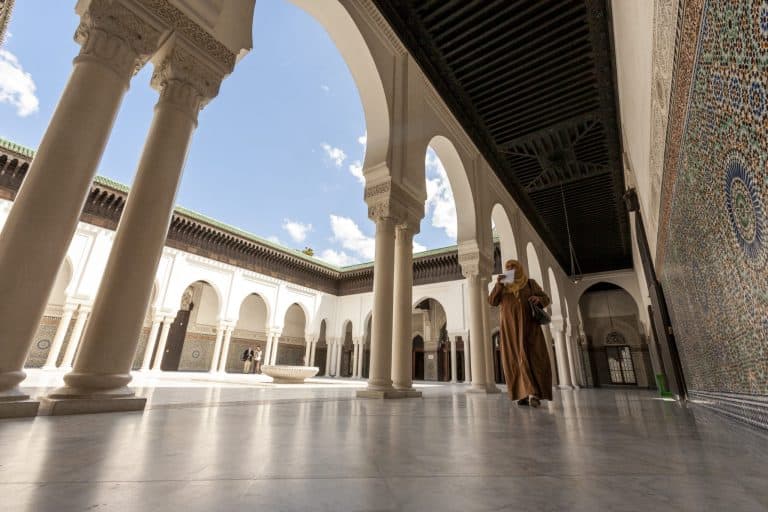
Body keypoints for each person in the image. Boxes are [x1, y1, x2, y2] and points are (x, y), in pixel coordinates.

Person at [488, 259, 552, 408]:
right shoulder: (503, 286)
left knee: (533, 358)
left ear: (519, 268)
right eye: (508, 267)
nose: (510, 269)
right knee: (515, 360)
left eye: (513, 267)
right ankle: (523, 394)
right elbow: (492, 301)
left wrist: (539, 299)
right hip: (510, 330)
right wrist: (499, 284)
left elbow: (546, 299)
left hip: (530, 328)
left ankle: (533, 393)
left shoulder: (530, 283)